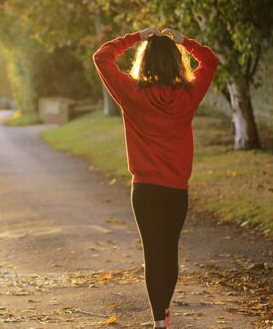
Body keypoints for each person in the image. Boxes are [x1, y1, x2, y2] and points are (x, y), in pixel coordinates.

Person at [92, 26, 219, 328]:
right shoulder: (188, 95)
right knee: (169, 250)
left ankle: (159, 320)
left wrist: (137, 37)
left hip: (145, 189)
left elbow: (102, 56)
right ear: (177, 62)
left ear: (145, 61)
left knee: (153, 253)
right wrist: (184, 41)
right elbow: (211, 62)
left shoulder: (132, 93)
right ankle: (165, 311)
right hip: (176, 189)